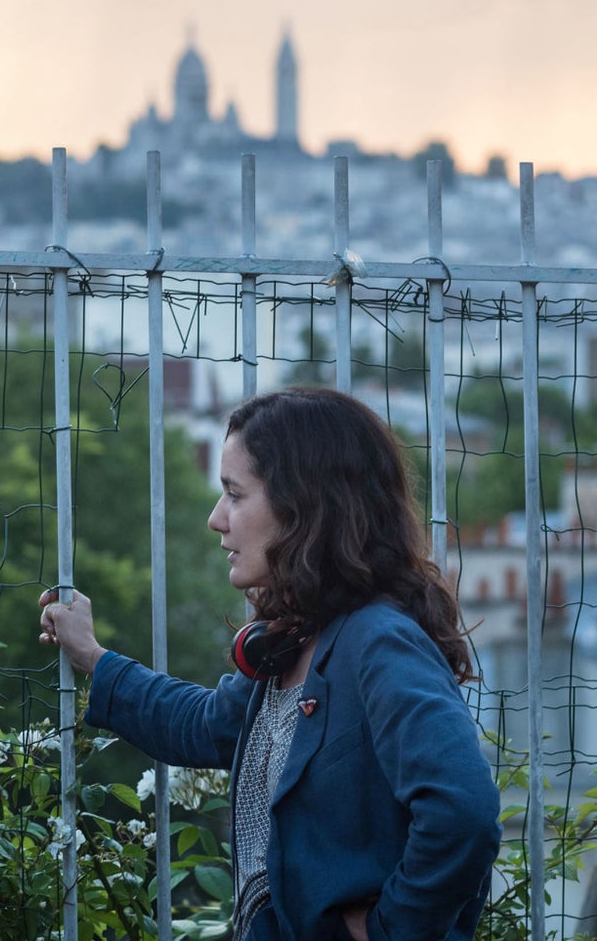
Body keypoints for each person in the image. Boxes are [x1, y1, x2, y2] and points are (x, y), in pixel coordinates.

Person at [39, 387, 501, 941]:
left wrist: (387, 931)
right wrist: (94, 657)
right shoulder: (303, 635)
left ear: (305, 504)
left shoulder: (379, 642)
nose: (217, 519)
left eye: (235, 494)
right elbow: (207, 725)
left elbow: (464, 813)